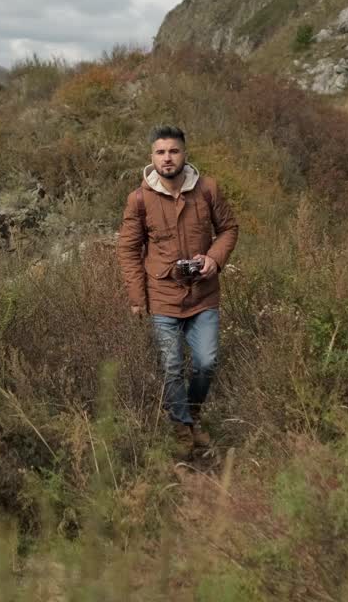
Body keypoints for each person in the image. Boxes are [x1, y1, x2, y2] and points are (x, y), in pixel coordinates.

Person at [116, 126, 239, 456]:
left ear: (185, 154)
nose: (167, 158)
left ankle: (193, 414)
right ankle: (182, 427)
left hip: (203, 294)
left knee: (206, 362)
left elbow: (228, 229)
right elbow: (128, 250)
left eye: (173, 151)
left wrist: (214, 259)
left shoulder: (207, 189)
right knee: (171, 366)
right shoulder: (139, 199)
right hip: (162, 295)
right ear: (152, 157)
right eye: (160, 152)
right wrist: (137, 299)